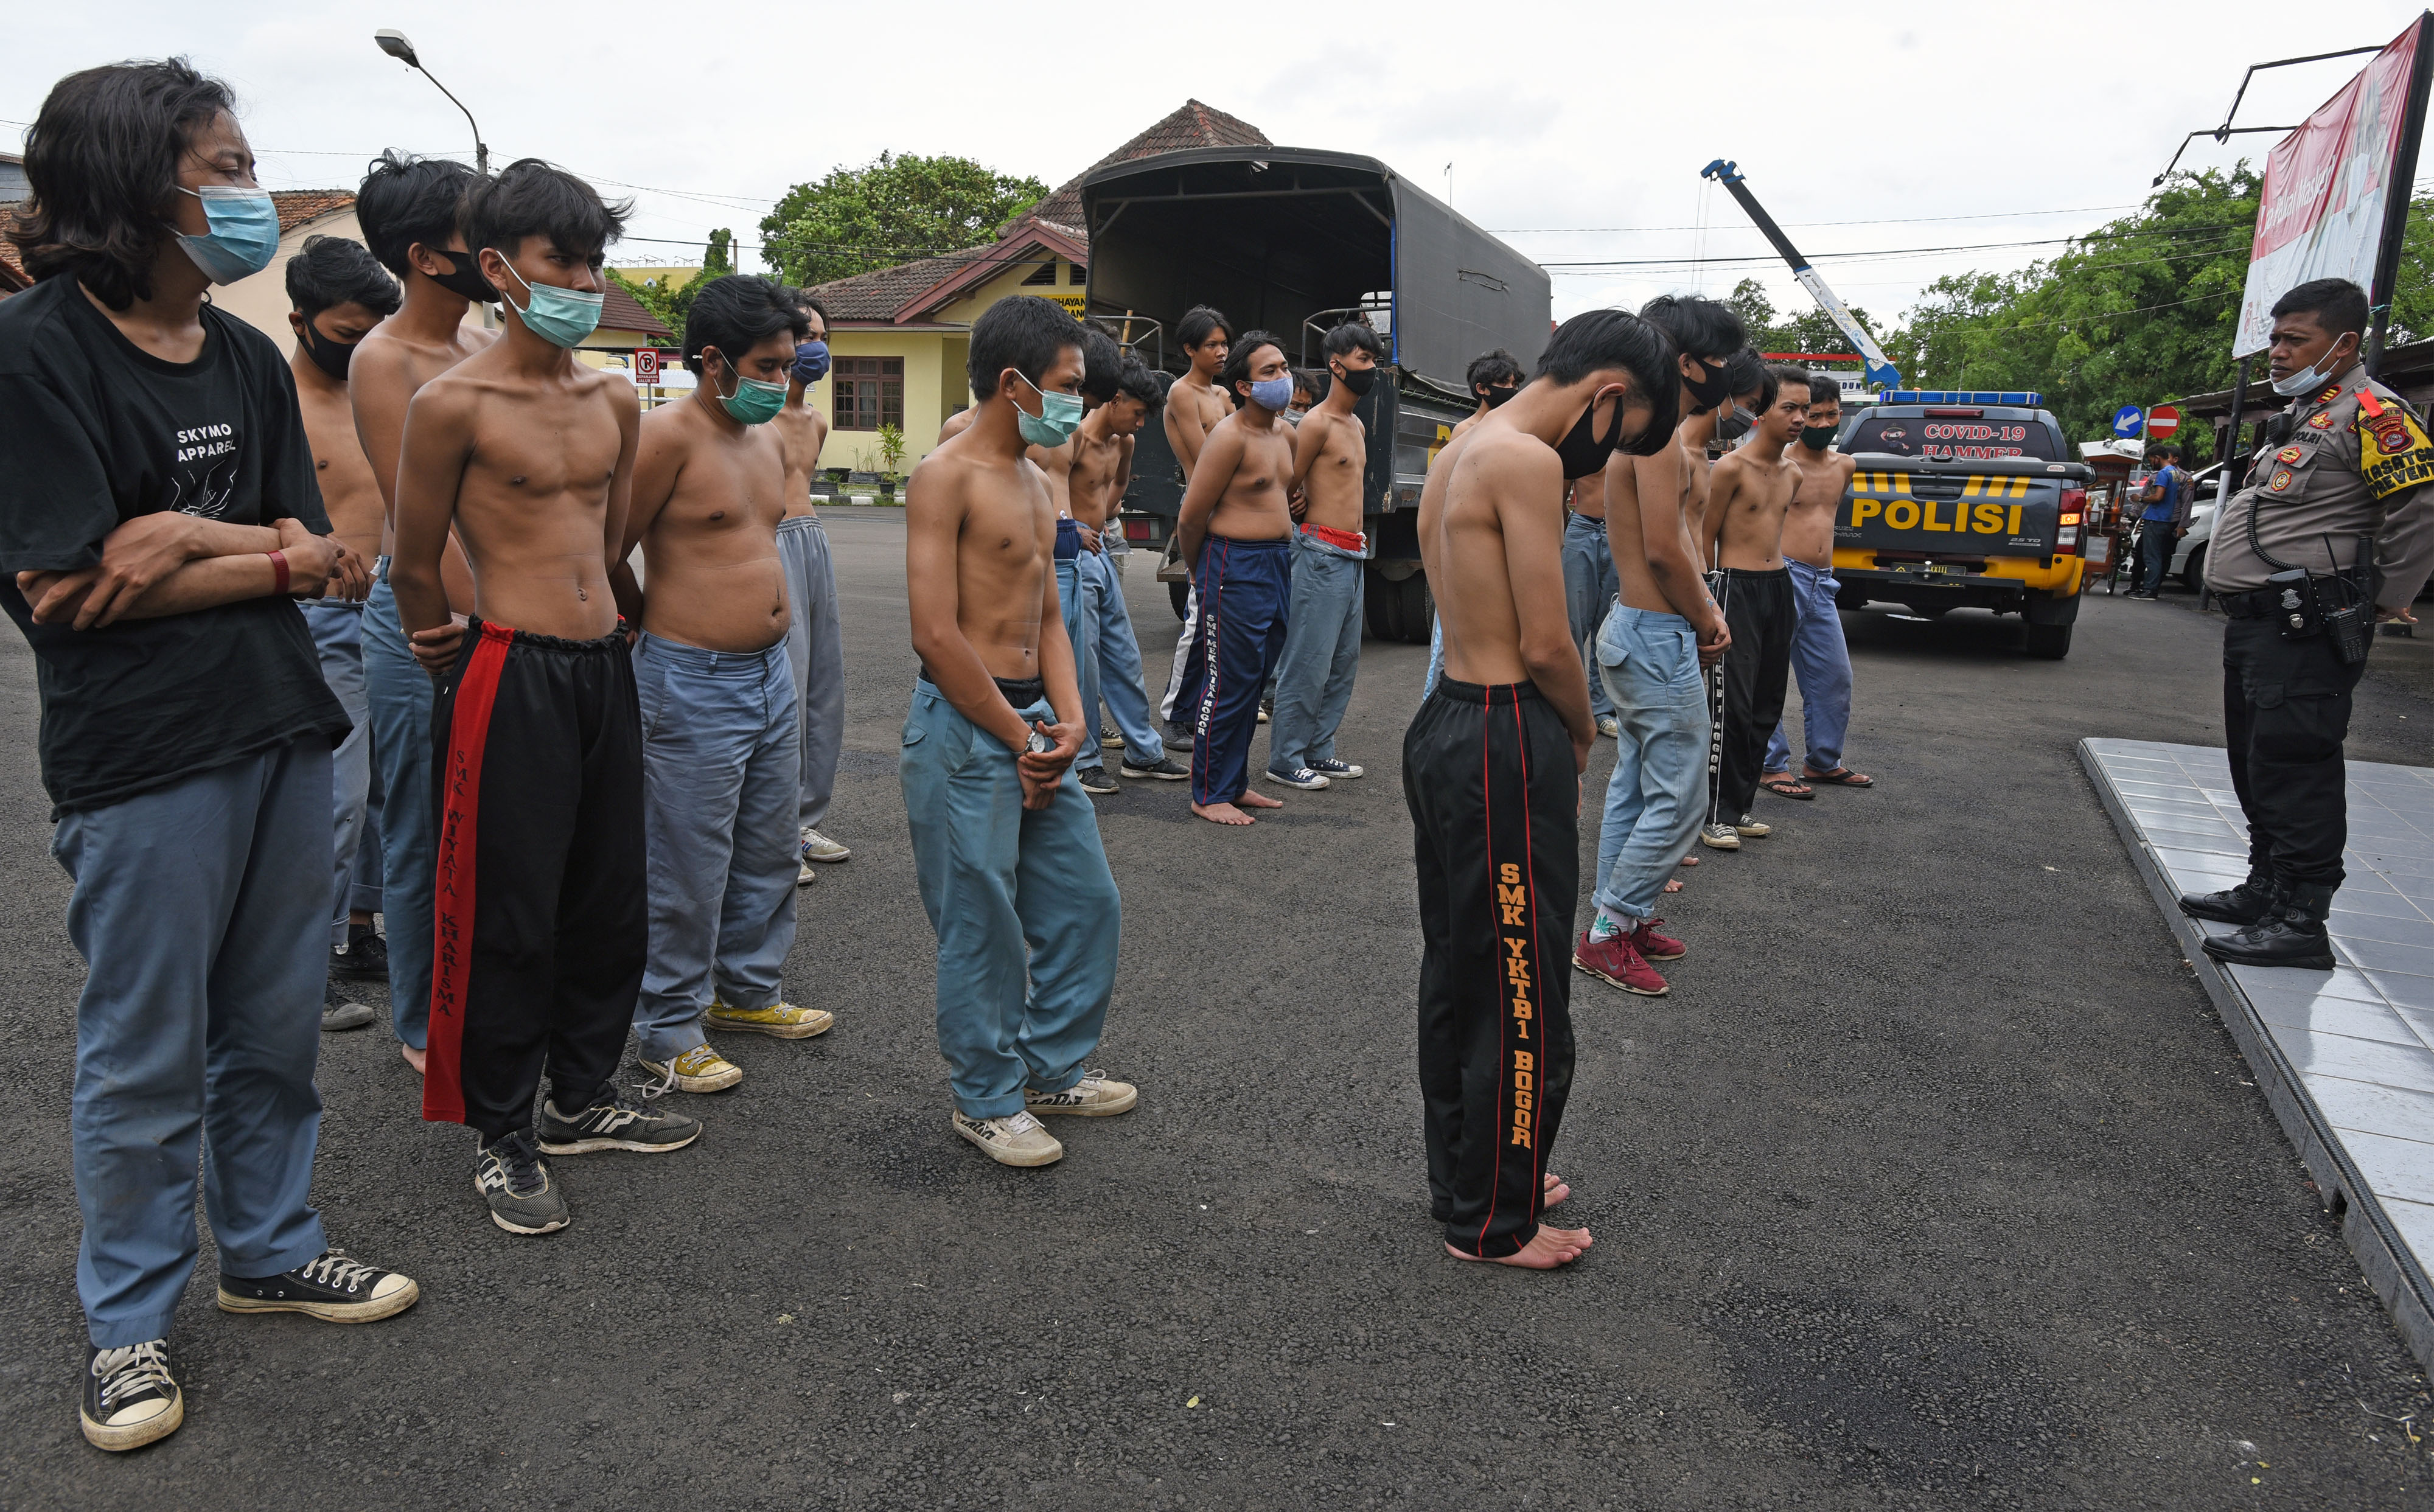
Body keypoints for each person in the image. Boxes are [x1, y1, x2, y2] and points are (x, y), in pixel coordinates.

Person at [1, 59, 416, 1452]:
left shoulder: (242, 353)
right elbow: (59, 586)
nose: (246, 194)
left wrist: (179, 537)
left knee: (273, 1021)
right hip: (143, 754)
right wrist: (259, 552)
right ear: (137, 182)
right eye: (225, 169)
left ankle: (269, 1250)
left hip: (283, 726)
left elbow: (331, 562)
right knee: (143, 1046)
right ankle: (127, 1318)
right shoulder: (36, 352)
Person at [391, 158, 701, 1236]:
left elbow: (609, 545)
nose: (583, 278)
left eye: (593, 260)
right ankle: (503, 1132)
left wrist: (636, 631)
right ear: (498, 269)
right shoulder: (452, 403)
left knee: (610, 898)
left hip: (601, 664)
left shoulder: (615, 396)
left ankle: (582, 1095)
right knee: (505, 912)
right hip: (505, 668)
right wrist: (438, 649)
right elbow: (412, 558)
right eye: (561, 260)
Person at [1406, 307, 1672, 1270]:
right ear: (1607, 395)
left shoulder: (1466, 441)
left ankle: (1475, 1174)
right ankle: (1493, 1220)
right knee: (1523, 991)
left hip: (1446, 721)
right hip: (1503, 729)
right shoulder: (1527, 459)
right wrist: (1585, 729)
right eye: (1622, 434)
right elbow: (1549, 640)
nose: (1604, 463)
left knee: (1462, 968)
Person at [901, 294, 1132, 1168]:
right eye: (1069, 386)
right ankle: (986, 1098)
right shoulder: (945, 475)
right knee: (983, 924)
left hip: (1035, 722)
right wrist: (1019, 735)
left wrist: (1071, 725)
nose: (1080, 403)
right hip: (968, 727)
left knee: (1085, 904)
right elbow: (935, 632)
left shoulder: (1042, 481)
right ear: (1014, 383)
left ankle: (1048, 1069)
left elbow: (1052, 621)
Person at [613, 274, 832, 1098]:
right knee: (684, 863)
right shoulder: (664, 437)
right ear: (713, 362)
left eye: (786, 363)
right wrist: (648, 626)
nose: (784, 378)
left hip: (769, 672)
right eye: (768, 364)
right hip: (690, 677)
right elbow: (610, 549)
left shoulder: (768, 436)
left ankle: (747, 988)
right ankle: (667, 1026)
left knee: (772, 844)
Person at [2184, 277, 2434, 968]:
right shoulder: (2314, 411)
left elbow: (2419, 506)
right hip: (2262, 623)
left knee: (2297, 767)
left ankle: (2300, 920)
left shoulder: (2374, 411)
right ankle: (2265, 887)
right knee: (2257, 762)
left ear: (2344, 343)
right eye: (2275, 338)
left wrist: (2383, 597)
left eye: (2296, 340)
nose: (2277, 352)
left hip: (2309, 625)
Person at [349, 148, 493, 1075]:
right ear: (428, 256)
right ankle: (420, 1022)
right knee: (422, 826)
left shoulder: (486, 343)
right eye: (477, 225)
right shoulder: (385, 358)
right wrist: (455, 626)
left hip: (510, 625)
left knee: (495, 825)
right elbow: (420, 525)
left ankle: (484, 993)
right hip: (424, 624)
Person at [1571, 294, 1741, 997]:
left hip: (1637, 627)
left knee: (1639, 787)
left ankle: (1621, 920)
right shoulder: (1660, 436)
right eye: (1719, 358)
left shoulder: (1642, 432)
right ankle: (1610, 932)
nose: (1726, 371)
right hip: (1656, 629)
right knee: (1680, 797)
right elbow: (1667, 550)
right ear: (1685, 360)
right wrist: (1707, 615)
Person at [284, 234, 400, 1033]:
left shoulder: (381, 391)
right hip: (319, 615)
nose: (363, 351)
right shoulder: (274, 401)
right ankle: (303, 966)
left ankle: (359, 932)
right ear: (301, 320)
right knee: (334, 798)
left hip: (397, 610)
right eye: (349, 334)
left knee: (389, 798)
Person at [1177, 330, 1298, 824]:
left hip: (1275, 563)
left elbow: (1287, 492)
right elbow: (1191, 517)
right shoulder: (1228, 437)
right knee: (1226, 683)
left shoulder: (1287, 434)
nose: (1283, 378)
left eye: (1284, 367)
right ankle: (1208, 792)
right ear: (1244, 387)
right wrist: (1199, 573)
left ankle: (1235, 783)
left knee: (1254, 681)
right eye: (1269, 372)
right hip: (1233, 564)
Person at [1698, 365, 1810, 849]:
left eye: (1806, 408)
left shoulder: (1794, 474)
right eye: (1790, 407)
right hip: (1734, 587)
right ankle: (1713, 814)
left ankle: (1741, 807)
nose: (1801, 417)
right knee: (1731, 708)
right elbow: (1704, 537)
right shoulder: (1729, 468)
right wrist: (1707, 601)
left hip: (1778, 587)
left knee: (1767, 705)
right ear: (1763, 411)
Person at [1268, 321, 1380, 789]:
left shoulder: (1355, 424)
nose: (1372, 368)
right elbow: (1284, 485)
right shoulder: (1314, 423)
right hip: (1318, 553)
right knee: (1308, 661)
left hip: (1352, 555)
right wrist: (1295, 506)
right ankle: (1284, 758)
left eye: (1374, 359)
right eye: (1363, 359)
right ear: (1337, 365)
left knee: (1340, 662)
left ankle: (1319, 749)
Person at [1069, 359, 1188, 782]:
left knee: (1124, 656)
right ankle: (1084, 761)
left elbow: (1117, 488)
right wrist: (1072, 526)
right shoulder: (1074, 438)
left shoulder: (1124, 444)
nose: (1138, 424)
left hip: (1103, 551)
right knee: (1083, 663)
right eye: (1136, 413)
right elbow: (1044, 490)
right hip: (1073, 556)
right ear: (1114, 399)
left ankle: (1142, 752)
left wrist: (1102, 515)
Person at [770, 288, 851, 879]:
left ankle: (803, 821)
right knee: (788, 688)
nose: (812, 345)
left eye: (819, 335)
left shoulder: (816, 420)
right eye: (802, 335)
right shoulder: (756, 413)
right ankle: (773, 833)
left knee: (825, 682)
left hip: (813, 541)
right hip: (770, 543)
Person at [1760, 371, 1871, 796]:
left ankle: (1824, 762)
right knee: (1768, 676)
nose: (1823, 424)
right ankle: (1771, 765)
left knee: (1835, 677)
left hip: (1824, 584)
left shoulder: (1846, 466)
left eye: (1831, 415)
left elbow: (1827, 520)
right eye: (1814, 415)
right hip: (1782, 575)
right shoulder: (1781, 465)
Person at [1426, 348, 1532, 697]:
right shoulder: (1465, 431)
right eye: (1505, 382)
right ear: (1483, 389)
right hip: (1462, 554)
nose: (1512, 389)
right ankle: (1432, 714)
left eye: (1516, 383)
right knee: (1448, 649)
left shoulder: (1515, 432)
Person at [1158, 305, 1234, 742]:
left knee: (1222, 616)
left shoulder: (1223, 397)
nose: (1222, 351)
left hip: (1231, 506)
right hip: (1203, 504)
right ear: (1190, 349)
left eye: (1225, 343)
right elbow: (1208, 459)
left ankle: (1201, 707)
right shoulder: (1182, 393)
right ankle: (1174, 716)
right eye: (1212, 345)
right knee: (1198, 615)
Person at [2131, 443, 2192, 599]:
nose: (2151, 463)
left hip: (2157, 519)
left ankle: (2151, 589)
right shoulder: (2175, 473)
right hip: (2165, 519)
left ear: (2157, 458)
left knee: (2153, 557)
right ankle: (2144, 587)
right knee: (2152, 555)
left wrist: (2141, 499)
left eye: (2152, 460)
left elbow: (2159, 496)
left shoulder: (2164, 474)